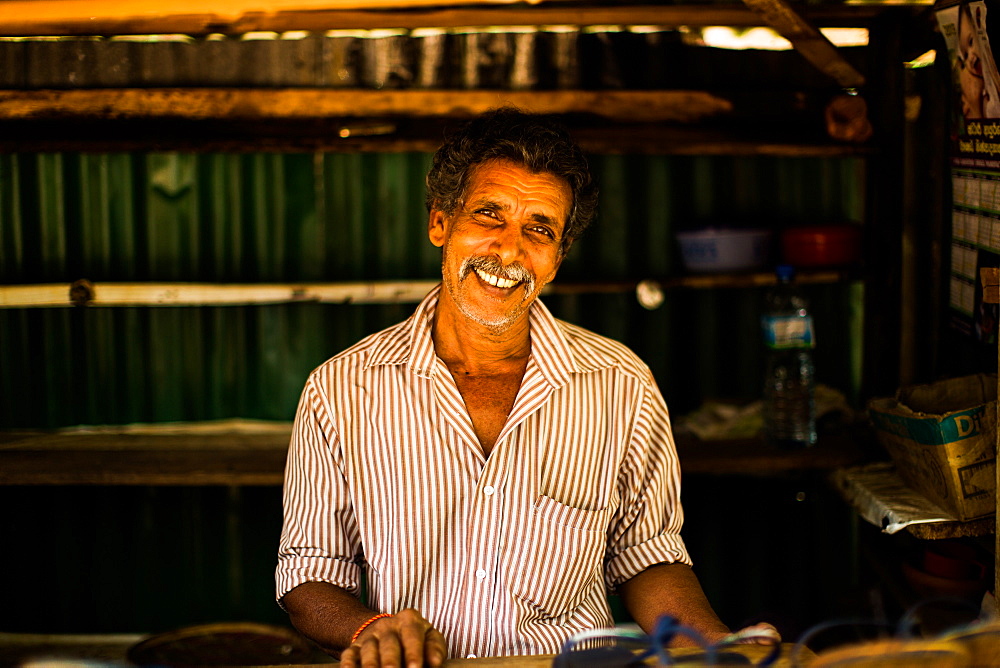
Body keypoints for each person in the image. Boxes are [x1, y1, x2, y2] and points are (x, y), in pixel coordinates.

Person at [275, 107, 779, 666]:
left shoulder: (619, 385)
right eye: (488, 215)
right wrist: (375, 629)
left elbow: (647, 558)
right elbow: (308, 576)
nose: (509, 250)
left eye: (539, 229)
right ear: (441, 223)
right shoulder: (343, 389)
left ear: (557, 259)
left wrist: (714, 650)